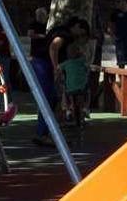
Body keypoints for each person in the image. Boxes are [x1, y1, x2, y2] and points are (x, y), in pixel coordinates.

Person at [30, 17, 90, 147]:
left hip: (40, 62)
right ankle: (42, 133)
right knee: (48, 98)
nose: (80, 36)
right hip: (43, 64)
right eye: (82, 32)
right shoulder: (66, 34)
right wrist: (55, 67)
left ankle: (45, 131)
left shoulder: (60, 30)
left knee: (51, 98)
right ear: (77, 26)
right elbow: (53, 47)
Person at [59, 41, 89, 122]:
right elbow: (87, 66)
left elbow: (58, 69)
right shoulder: (82, 61)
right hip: (82, 88)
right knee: (88, 92)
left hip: (70, 89)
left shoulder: (66, 63)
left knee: (64, 93)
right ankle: (86, 107)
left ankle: (68, 109)